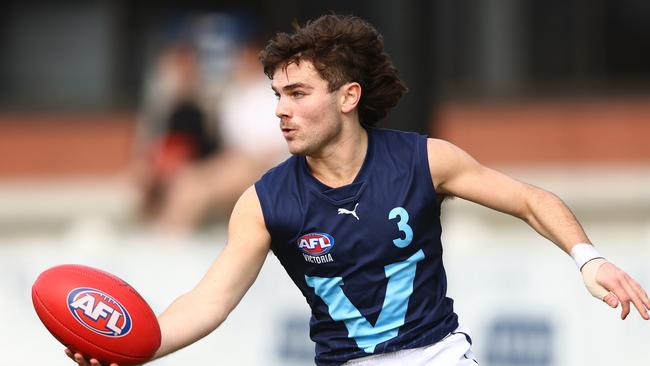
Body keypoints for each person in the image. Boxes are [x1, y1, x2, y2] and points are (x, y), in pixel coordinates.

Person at [68, 14, 650, 366]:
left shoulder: (423, 159)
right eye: (276, 94)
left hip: (439, 355)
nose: (281, 111)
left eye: (297, 94)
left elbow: (531, 199)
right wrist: (136, 344)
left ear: (347, 97)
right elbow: (209, 301)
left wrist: (588, 259)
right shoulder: (266, 200)